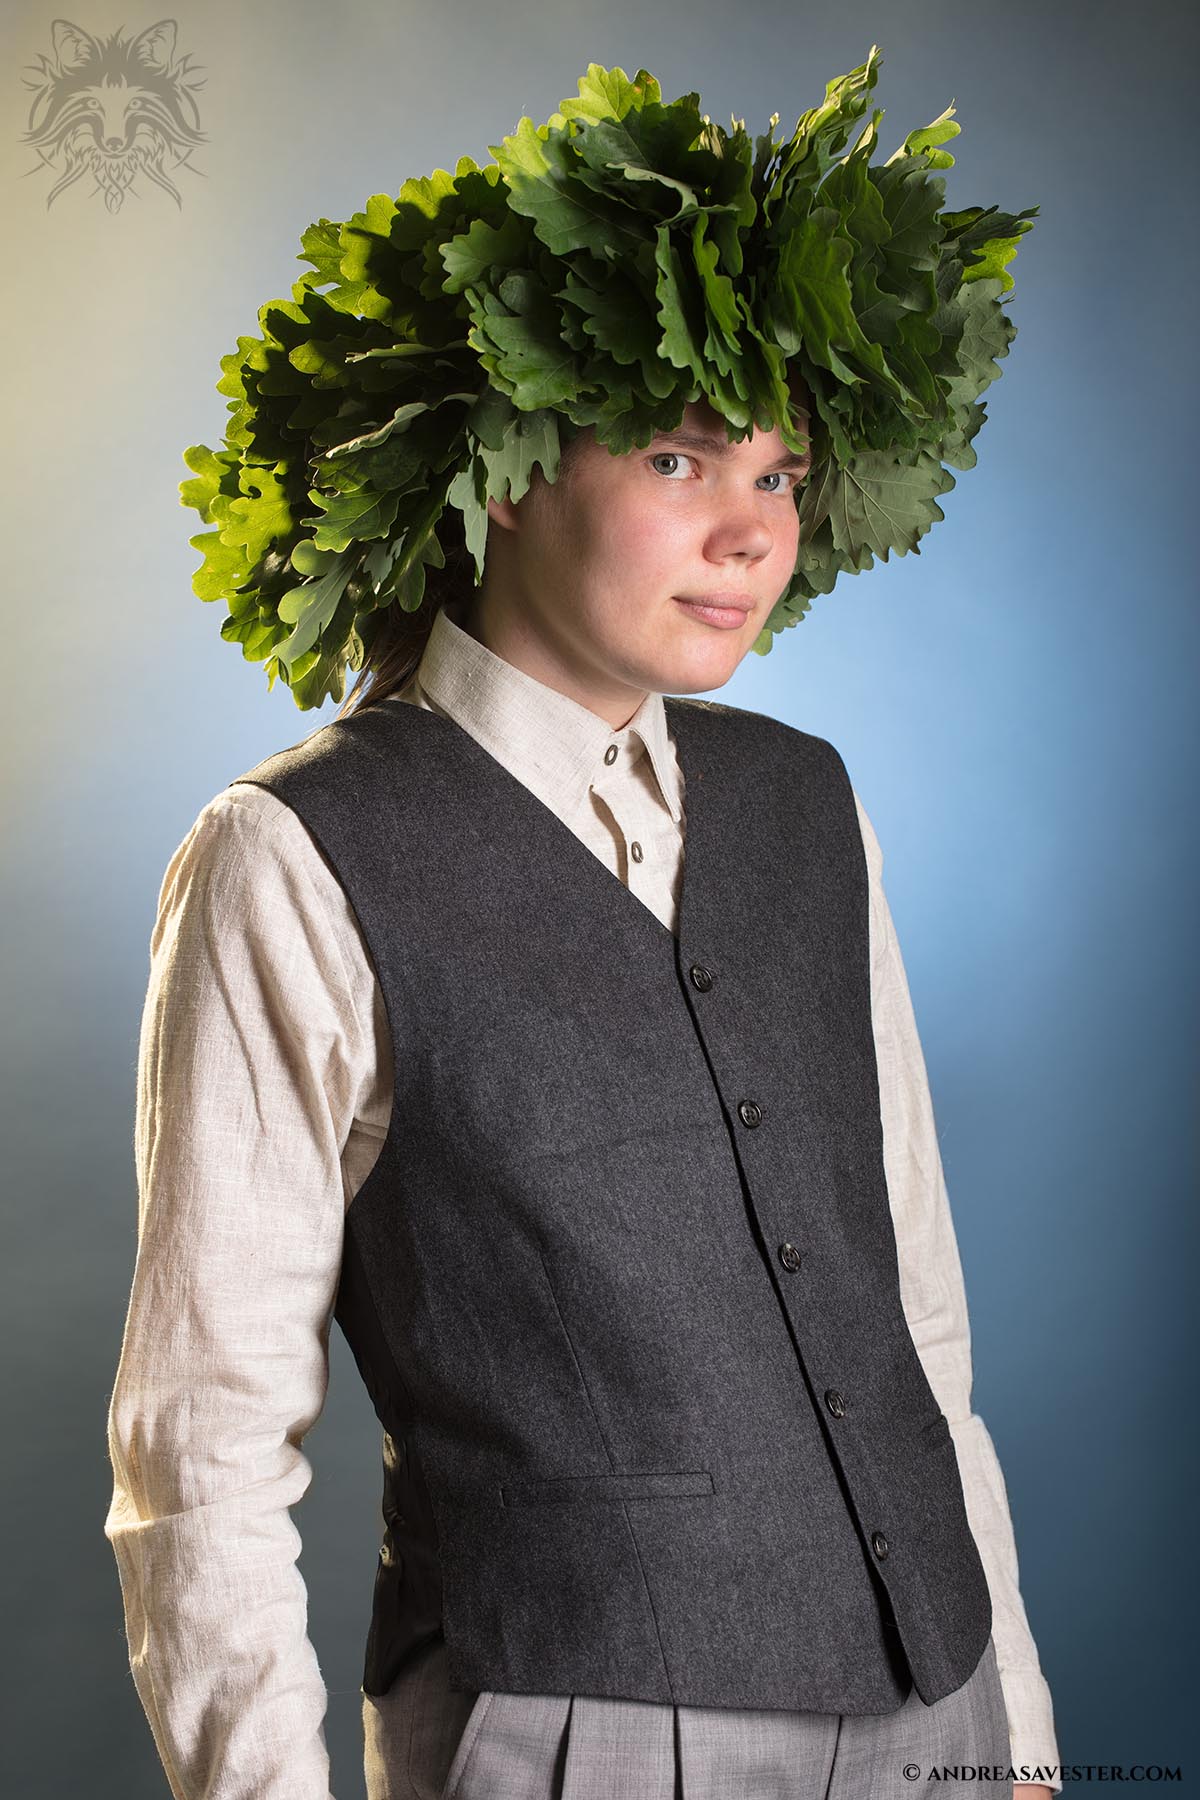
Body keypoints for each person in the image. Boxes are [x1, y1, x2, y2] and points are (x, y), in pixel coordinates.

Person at [105, 50, 1062, 1800]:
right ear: (508, 462)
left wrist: (1019, 1732)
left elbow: (914, 1318)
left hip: (940, 1704)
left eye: (777, 475)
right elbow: (208, 1446)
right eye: (683, 454)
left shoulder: (805, 799)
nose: (747, 531)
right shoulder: (293, 851)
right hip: (577, 1724)